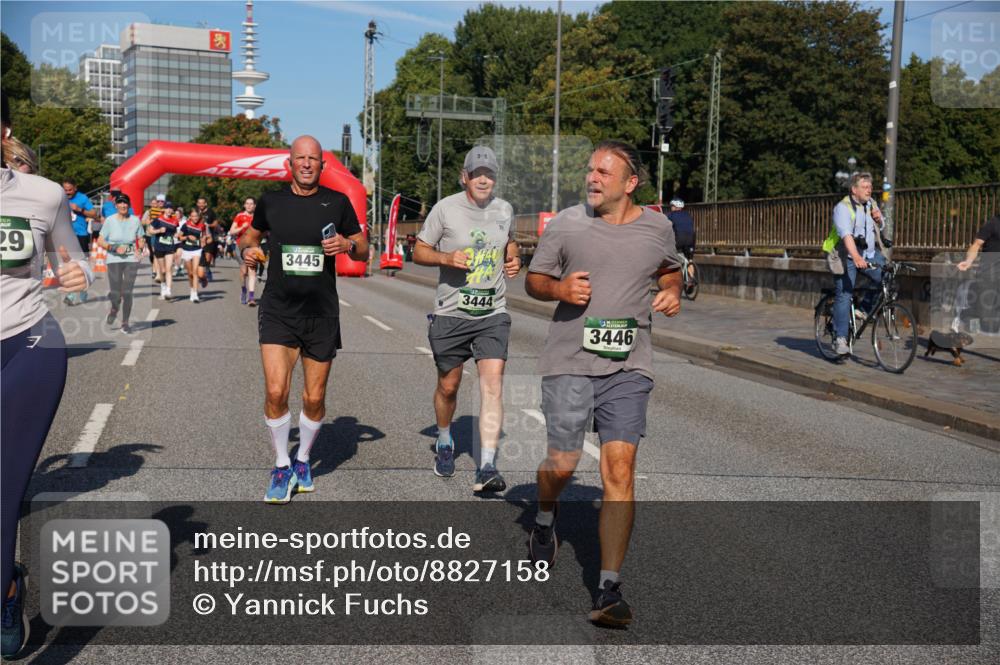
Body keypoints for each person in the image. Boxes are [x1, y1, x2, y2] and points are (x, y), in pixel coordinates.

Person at [524, 140, 681, 627]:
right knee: (563, 462)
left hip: (629, 366)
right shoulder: (568, 224)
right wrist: (560, 288)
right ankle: (545, 518)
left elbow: (671, 271)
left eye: (604, 172)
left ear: (630, 183)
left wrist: (672, 293)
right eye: (590, 169)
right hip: (569, 360)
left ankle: (608, 588)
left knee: (620, 468)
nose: (592, 178)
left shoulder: (658, 227)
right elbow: (533, 279)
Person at [1, 90, 93, 660]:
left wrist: (78, 273)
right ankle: (10, 583)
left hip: (29, 341)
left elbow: (72, 258)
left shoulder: (40, 195)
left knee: (5, 486)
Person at [240, 135, 367, 504]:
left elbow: (363, 249)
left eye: (314, 159)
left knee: (314, 398)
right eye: (301, 158)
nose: (308, 164)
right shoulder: (272, 201)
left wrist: (346, 245)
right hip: (278, 309)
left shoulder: (338, 202)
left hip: (321, 313)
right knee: (276, 392)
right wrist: (248, 251)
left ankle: (303, 459)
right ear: (290, 164)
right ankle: (281, 465)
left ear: (322, 166)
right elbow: (248, 238)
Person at [413, 145, 519, 491]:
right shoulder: (445, 209)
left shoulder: (505, 210)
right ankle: (444, 439)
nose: (484, 179)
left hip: (492, 311)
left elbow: (510, 242)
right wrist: (446, 258)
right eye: (477, 174)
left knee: (492, 383)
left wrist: (513, 258)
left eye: (489, 174)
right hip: (451, 312)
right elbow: (419, 251)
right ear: (465, 177)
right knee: (449, 385)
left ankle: (487, 465)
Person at [829, 172, 885, 356]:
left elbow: (880, 225)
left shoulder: (871, 203)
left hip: (868, 253)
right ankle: (840, 339)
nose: (869, 190)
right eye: (865, 186)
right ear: (854, 189)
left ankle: (863, 309)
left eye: (870, 186)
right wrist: (857, 257)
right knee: (845, 293)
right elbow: (846, 236)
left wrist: (879, 219)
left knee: (887, 278)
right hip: (845, 255)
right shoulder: (842, 208)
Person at [97, 192, 145, 333]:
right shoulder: (110, 220)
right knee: (116, 293)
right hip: (114, 259)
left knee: (128, 292)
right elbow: (100, 240)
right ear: (116, 205)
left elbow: (141, 238)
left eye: (125, 203)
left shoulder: (135, 220)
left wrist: (140, 249)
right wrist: (114, 247)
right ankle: (114, 309)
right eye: (120, 203)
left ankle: (125, 323)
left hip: (131, 259)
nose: (123, 205)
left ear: (129, 205)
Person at [957, 214, 1000, 331]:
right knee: (987, 321)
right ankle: (967, 313)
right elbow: (976, 245)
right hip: (988, 276)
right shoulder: (993, 223)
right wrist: (968, 261)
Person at [61, 178, 97, 305]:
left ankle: (80, 290)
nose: (67, 193)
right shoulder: (60, 197)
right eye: (65, 190)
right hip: (65, 234)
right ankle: (72, 293)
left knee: (79, 264)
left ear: (75, 188)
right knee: (68, 264)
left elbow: (94, 213)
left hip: (80, 235)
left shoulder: (82, 198)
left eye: (70, 190)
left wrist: (79, 209)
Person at [150, 200, 181, 300]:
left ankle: (168, 290)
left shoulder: (175, 221)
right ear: (164, 209)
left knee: (168, 269)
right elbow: (150, 230)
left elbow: (174, 232)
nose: (169, 210)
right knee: (162, 271)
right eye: (167, 208)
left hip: (169, 247)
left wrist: (176, 235)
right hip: (159, 246)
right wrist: (159, 230)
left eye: (171, 208)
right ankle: (163, 286)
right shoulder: (158, 219)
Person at [229, 197, 257, 306]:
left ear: (255, 206)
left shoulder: (258, 217)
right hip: (240, 246)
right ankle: (244, 289)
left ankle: (251, 297)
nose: (249, 206)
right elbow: (231, 231)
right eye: (247, 203)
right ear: (244, 205)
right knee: (244, 272)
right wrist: (242, 227)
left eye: (251, 204)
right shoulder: (239, 216)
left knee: (252, 270)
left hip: (253, 247)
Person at [178, 207, 207, 303]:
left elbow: (203, 237)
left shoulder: (202, 226)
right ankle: (192, 289)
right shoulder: (186, 225)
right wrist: (187, 237)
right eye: (193, 216)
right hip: (186, 250)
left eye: (196, 216)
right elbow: (179, 237)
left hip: (197, 250)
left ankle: (195, 294)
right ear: (190, 216)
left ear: (199, 217)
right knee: (190, 274)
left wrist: (203, 242)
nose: (195, 218)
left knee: (195, 272)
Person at [667, 197, 696, 281]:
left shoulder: (671, 215)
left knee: (671, 255)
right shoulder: (688, 215)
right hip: (691, 240)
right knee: (689, 259)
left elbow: (666, 227)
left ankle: (675, 278)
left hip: (680, 240)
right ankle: (691, 278)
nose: (671, 208)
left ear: (675, 207)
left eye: (672, 206)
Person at [142, 194, 166, 282]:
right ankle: (155, 269)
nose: (154, 205)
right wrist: (149, 221)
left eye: (155, 203)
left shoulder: (162, 211)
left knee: (157, 253)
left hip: (159, 235)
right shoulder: (148, 212)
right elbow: (143, 222)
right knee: (152, 254)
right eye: (152, 203)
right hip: (149, 234)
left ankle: (156, 271)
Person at [195, 196, 219, 280]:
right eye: (199, 203)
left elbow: (216, 223)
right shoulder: (196, 212)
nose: (201, 204)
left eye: (203, 203)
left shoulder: (211, 212)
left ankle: (207, 269)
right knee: (199, 256)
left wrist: (209, 225)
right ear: (197, 204)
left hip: (209, 237)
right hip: (198, 238)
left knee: (208, 257)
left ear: (206, 203)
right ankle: (201, 272)